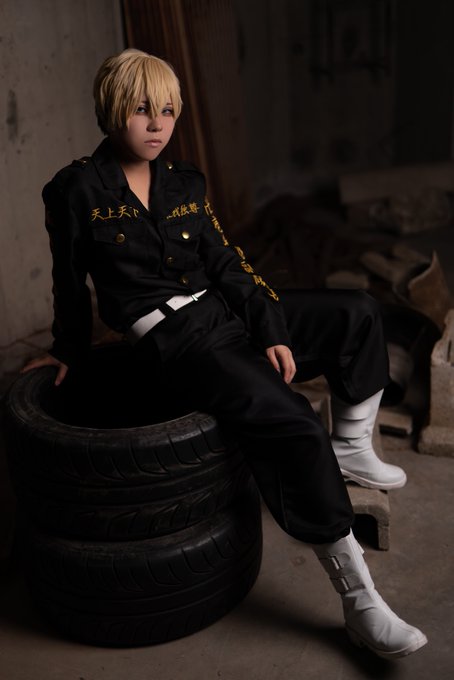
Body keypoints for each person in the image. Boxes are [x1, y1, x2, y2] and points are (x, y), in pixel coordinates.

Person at [23, 48, 427, 659]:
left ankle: (350, 447)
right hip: (174, 340)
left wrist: (270, 327)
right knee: (293, 420)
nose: (157, 124)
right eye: (141, 109)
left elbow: (228, 263)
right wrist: (67, 353)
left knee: (356, 312)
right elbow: (69, 282)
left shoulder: (185, 182)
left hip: (223, 312)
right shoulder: (76, 188)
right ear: (111, 110)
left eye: (167, 111)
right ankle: (360, 600)